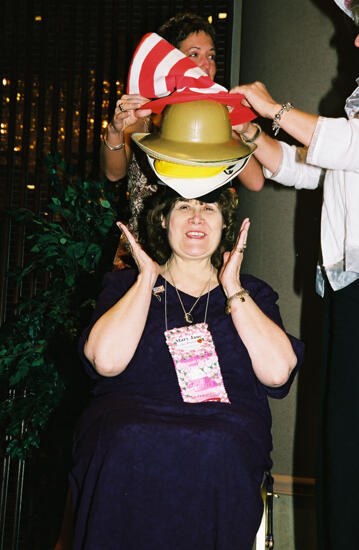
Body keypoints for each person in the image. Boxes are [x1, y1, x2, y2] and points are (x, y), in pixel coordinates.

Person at [230, 1, 359, 548]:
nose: (352, 42)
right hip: (345, 286)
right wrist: (249, 132)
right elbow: (310, 168)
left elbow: (346, 147)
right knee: (341, 446)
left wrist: (271, 108)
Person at [101, 13, 264, 246]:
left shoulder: (217, 116)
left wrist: (225, 120)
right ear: (170, 62)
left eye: (211, 56)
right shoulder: (145, 113)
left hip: (201, 248)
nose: (206, 65)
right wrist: (116, 130)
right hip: (148, 247)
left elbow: (256, 181)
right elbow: (113, 173)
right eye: (194, 55)